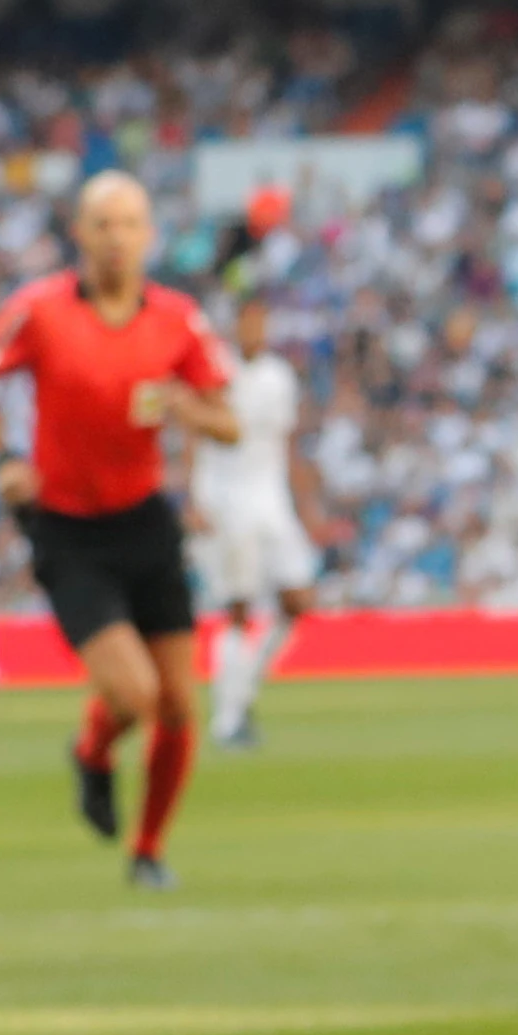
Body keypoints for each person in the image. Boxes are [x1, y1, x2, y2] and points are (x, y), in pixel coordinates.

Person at [0, 173, 239, 890]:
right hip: (69, 531)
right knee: (134, 694)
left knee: (177, 703)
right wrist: (7, 459)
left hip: (145, 522)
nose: (115, 237)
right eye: (102, 223)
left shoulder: (176, 319)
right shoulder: (38, 311)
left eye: (129, 223)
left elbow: (229, 419)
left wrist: (185, 410)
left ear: (149, 235)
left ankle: (148, 849)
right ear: (79, 233)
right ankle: (94, 751)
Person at [188, 292, 324, 750]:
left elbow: (286, 444)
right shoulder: (215, 368)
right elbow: (192, 430)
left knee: (298, 600)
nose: (255, 330)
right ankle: (227, 719)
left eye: (262, 322)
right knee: (239, 608)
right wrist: (192, 497)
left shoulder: (278, 376)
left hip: (271, 496)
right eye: (248, 321)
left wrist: (305, 508)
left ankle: (242, 691)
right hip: (226, 496)